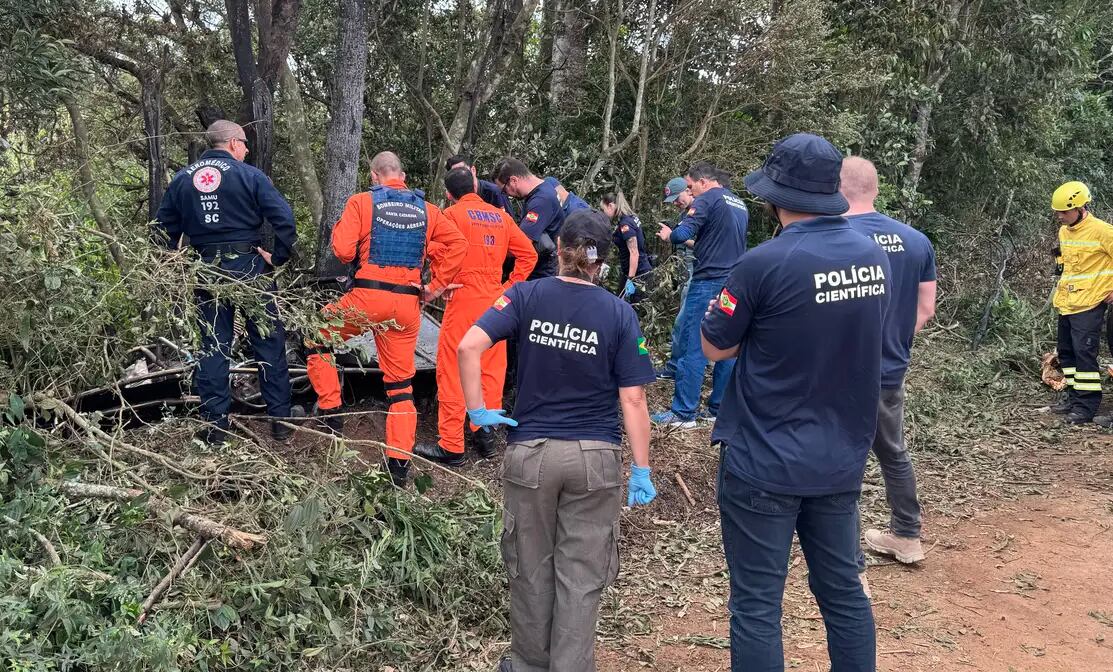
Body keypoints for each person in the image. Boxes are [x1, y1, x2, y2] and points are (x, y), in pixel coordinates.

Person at [703, 133, 889, 672]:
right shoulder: (871, 256)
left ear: (776, 195)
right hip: (840, 458)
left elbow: (715, 345)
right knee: (842, 593)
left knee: (757, 604)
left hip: (764, 460)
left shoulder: (763, 264)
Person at [457, 210, 657, 672]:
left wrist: (477, 409)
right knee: (581, 576)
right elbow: (633, 399)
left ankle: (527, 665)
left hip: (532, 454)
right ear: (603, 261)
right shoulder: (619, 313)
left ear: (559, 249)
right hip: (595, 459)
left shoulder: (525, 295)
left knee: (530, 568)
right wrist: (641, 468)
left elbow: (469, 346)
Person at [306, 151, 467, 486]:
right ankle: (398, 467)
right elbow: (458, 244)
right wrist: (434, 287)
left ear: (373, 175)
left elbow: (343, 251)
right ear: (402, 175)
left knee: (316, 335)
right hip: (407, 306)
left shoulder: (362, 202)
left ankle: (331, 410)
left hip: (367, 298)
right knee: (400, 387)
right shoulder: (428, 210)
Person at [154, 120, 298, 445]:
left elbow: (161, 230)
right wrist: (278, 257)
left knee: (213, 347)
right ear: (234, 143)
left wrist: (170, 265)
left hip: (206, 269)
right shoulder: (250, 176)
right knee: (268, 344)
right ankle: (280, 423)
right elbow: (284, 220)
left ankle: (215, 428)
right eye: (245, 144)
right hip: (249, 268)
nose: (246, 150)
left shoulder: (182, 179)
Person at [841, 157, 937, 582]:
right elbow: (927, 309)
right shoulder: (917, 241)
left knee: (842, 452)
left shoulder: (836, 238)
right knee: (892, 451)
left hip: (838, 368)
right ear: (875, 188)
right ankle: (907, 534)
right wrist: (894, 338)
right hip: (890, 368)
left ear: (836, 188)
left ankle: (841, 552)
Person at [413, 168, 537, 467]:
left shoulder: (450, 216)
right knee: (491, 370)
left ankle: (452, 446)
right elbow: (529, 255)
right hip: (495, 304)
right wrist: (507, 288)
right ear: (476, 187)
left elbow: (432, 250)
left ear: (448, 194)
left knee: (453, 369)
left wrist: (441, 283)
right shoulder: (502, 217)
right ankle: (485, 434)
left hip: (464, 300)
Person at [652, 161, 748, 427]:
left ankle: (684, 412)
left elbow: (683, 232)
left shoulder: (708, 199)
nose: (691, 192)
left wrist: (670, 234)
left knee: (693, 344)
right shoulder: (739, 203)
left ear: (704, 182)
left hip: (707, 281)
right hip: (733, 283)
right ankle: (718, 408)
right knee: (726, 346)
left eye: (692, 187)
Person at [1046, 181, 1113, 425]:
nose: (1060, 216)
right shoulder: (1064, 231)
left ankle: (1086, 406)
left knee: (1085, 354)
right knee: (1067, 353)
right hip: (1067, 301)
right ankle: (1073, 397)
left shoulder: (1103, 231)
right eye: (1058, 212)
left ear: (1080, 207)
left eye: (1064, 212)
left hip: (1090, 302)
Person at [495, 158, 565, 279]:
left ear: (513, 180)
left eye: (504, 190)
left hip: (541, 271)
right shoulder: (543, 188)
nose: (506, 195)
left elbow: (522, 243)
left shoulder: (541, 200)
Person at [658, 177, 695, 380]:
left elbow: (702, 244)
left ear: (688, 191)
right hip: (685, 271)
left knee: (683, 322)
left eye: (677, 198)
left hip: (697, 273)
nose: (675, 203)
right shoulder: (685, 214)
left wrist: (673, 236)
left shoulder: (700, 212)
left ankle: (675, 367)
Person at [600, 192, 653, 302]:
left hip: (638, 274)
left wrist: (630, 279)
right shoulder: (631, 218)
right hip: (633, 271)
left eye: (603, 209)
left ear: (610, 206)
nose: (603, 213)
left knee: (633, 307)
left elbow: (634, 253)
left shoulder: (626, 225)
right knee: (620, 302)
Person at [445, 154, 516, 216]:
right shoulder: (455, 194)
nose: (460, 176)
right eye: (456, 174)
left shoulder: (494, 192)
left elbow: (509, 220)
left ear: (473, 170)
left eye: (462, 171)